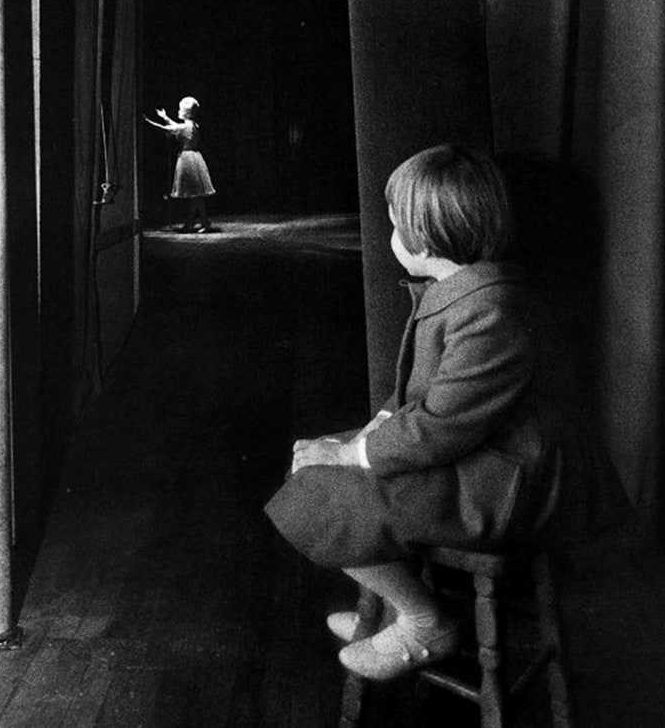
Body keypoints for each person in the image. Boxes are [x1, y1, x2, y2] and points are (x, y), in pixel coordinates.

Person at [265, 144, 627, 682]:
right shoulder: (470, 290)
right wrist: (365, 437)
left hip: (514, 481)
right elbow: (423, 402)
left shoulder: (490, 311)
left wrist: (349, 454)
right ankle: (390, 609)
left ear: (425, 238)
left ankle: (423, 622)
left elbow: (439, 427)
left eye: (392, 226)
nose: (389, 238)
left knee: (320, 493)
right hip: (484, 451)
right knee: (318, 464)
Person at [145, 96, 215, 232]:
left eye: (180, 109)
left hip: (188, 160)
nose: (178, 111)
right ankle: (199, 221)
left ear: (186, 113)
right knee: (197, 195)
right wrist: (165, 117)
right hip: (194, 157)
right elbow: (175, 126)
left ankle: (198, 222)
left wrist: (147, 122)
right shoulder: (192, 124)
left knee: (196, 195)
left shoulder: (184, 126)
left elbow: (167, 129)